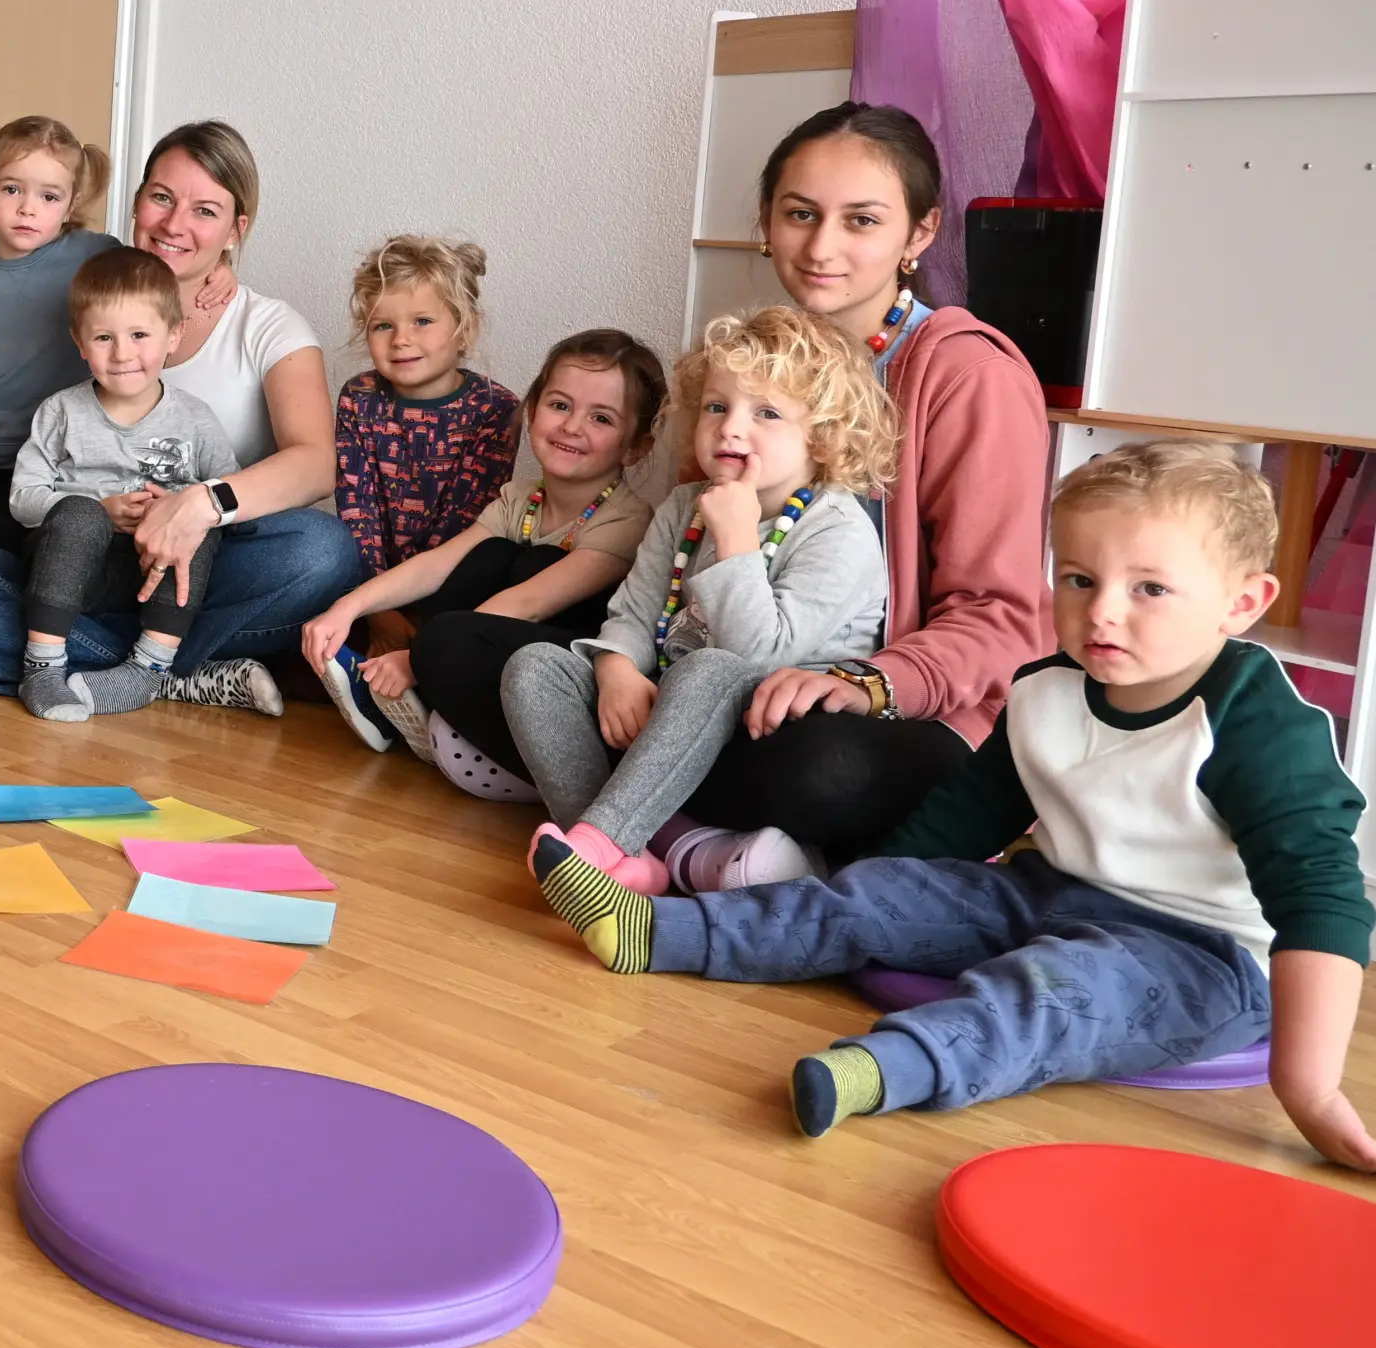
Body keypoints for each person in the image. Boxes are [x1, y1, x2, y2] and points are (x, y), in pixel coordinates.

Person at [532, 442, 1374, 1170]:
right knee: (875, 894)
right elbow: (969, 815)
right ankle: (655, 931)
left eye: (1150, 588)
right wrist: (872, 897)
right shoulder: (1045, 689)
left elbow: (1323, 898)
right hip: (1047, 892)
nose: (1102, 611)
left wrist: (1309, 1088)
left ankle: (891, 1067)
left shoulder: (1255, 722)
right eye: (1079, 579)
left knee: (1060, 990)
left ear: (1242, 603)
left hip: (1201, 951)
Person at [409, 102, 1050, 863]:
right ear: (767, 221)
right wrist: (617, 668)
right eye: (801, 214)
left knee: (823, 768)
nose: (822, 246)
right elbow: (679, 555)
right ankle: (666, 837)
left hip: (878, 704)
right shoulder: (747, 359)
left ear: (919, 233)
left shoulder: (970, 375)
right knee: (455, 645)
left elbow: (1000, 620)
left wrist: (869, 684)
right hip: (702, 668)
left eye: (862, 221)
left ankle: (635, 817)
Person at [0, 120, 360, 715]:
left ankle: (120, 661)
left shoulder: (269, 327)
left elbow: (316, 464)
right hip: (66, 552)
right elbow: (8, 427)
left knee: (321, 550)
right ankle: (172, 672)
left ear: (237, 229)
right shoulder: (79, 286)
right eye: (162, 198)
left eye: (205, 211)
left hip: (189, 567)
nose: (175, 224)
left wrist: (199, 505)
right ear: (134, 202)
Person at [501, 308, 895, 895]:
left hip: (770, 729)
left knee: (709, 668)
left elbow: (759, 654)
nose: (730, 429)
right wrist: (616, 669)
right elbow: (634, 612)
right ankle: (624, 855)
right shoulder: (685, 505)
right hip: (672, 716)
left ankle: (600, 843)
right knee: (535, 665)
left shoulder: (837, 530)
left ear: (824, 435)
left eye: (765, 413)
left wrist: (736, 537)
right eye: (717, 407)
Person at [304, 326, 665, 757]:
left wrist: (418, 657)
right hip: (493, 647)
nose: (571, 426)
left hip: (561, 677)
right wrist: (349, 607)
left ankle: (433, 703)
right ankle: (417, 709)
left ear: (636, 447)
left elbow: (532, 602)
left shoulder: (628, 519)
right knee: (488, 556)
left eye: (601, 418)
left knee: (534, 565)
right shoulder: (521, 499)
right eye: (560, 405)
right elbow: (438, 564)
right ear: (533, 409)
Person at [11, 245, 237, 721]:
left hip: (155, 576)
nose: (122, 354)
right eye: (103, 337)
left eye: (139, 335)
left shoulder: (196, 419)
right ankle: (42, 667)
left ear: (173, 334)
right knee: (79, 514)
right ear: (79, 341)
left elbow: (231, 493)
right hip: (72, 572)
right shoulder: (61, 412)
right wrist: (99, 507)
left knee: (200, 519)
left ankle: (148, 668)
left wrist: (178, 509)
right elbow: (22, 499)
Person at [0, 115, 124, 554]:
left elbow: (158, 278)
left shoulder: (97, 256)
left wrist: (218, 269)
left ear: (70, 204)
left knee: (15, 535)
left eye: (49, 196)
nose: (28, 208)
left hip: (64, 454)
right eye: (12, 189)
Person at [330, 234, 519, 583]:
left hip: (453, 578)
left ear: (465, 329)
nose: (401, 339)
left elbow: (466, 519)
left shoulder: (495, 408)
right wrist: (376, 600)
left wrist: (409, 598)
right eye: (383, 325)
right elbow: (358, 509)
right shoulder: (359, 397)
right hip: (370, 584)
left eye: (422, 321)